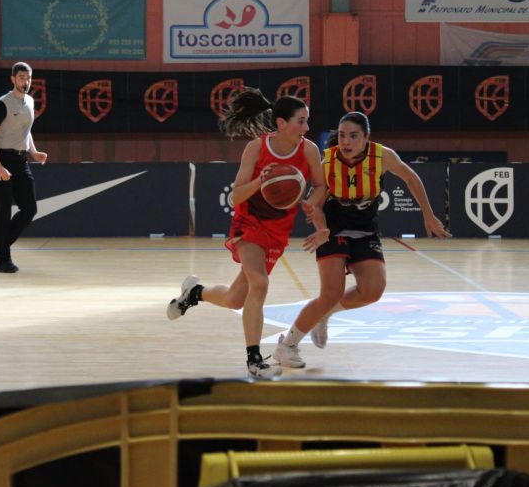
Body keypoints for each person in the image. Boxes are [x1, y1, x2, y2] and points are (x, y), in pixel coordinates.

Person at [167, 88, 329, 378]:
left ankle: (195, 293)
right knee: (260, 283)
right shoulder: (257, 148)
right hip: (249, 223)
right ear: (281, 123)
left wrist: (311, 203)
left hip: (278, 231)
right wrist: (260, 182)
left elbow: (320, 186)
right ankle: (255, 360)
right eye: (301, 121)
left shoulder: (309, 150)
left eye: (307, 121)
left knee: (235, 299)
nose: (306, 127)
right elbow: (236, 197)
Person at [274, 111, 451, 366]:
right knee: (330, 293)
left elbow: (411, 178)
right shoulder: (328, 161)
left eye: (353, 136)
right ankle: (287, 345)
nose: (346, 142)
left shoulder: (383, 156)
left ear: (366, 137)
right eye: (343, 135)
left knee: (373, 291)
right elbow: (317, 203)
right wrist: (321, 228)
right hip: (333, 230)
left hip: (365, 230)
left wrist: (429, 214)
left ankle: (324, 314)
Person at [0, 62, 48, 273]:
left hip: (21, 161)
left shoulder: (29, 101)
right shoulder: (3, 104)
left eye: (28, 78)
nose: (25, 82)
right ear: (13, 79)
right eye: (21, 77)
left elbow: (25, 131)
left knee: (30, 208)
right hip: (2, 159)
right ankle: (3, 260)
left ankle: (0, 247)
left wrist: (34, 152)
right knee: (2, 211)